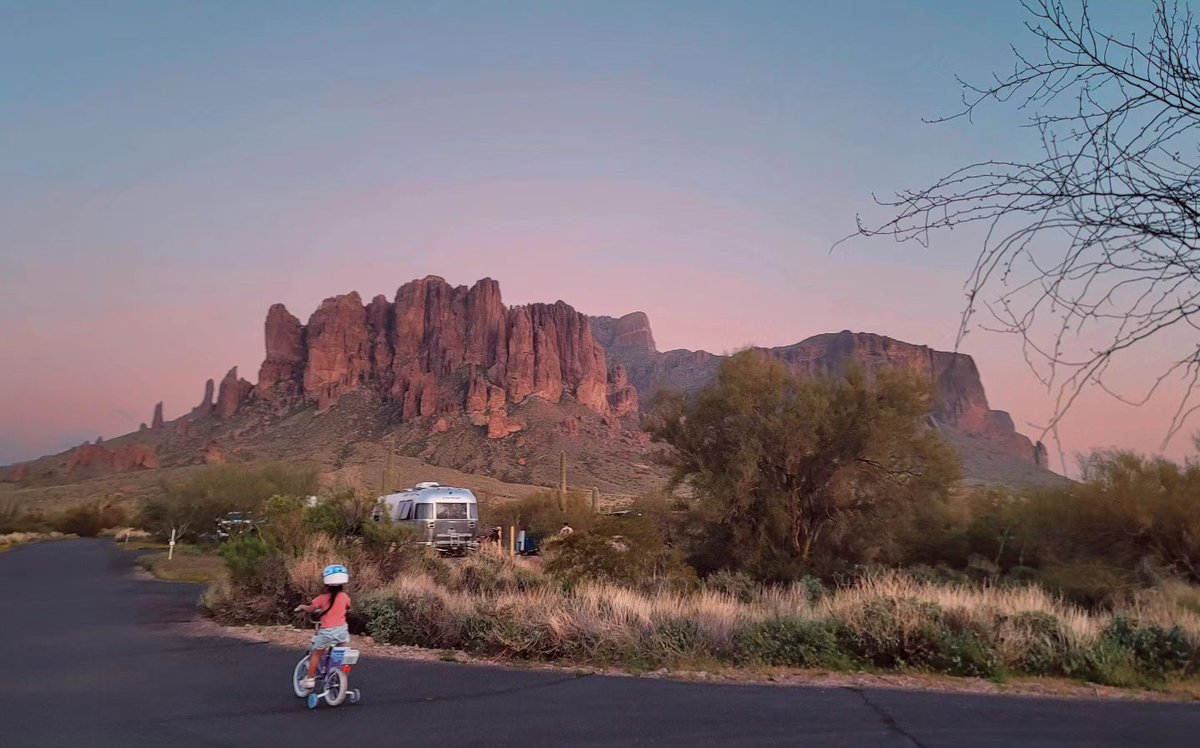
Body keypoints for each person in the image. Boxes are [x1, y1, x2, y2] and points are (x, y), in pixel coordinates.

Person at [293, 564, 352, 691]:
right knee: (340, 655)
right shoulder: (345, 597)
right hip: (342, 632)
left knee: (316, 654)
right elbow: (347, 607)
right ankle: (339, 676)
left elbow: (310, 609)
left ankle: (309, 680)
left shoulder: (321, 599)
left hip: (327, 633)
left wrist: (302, 607)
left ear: (326, 584)